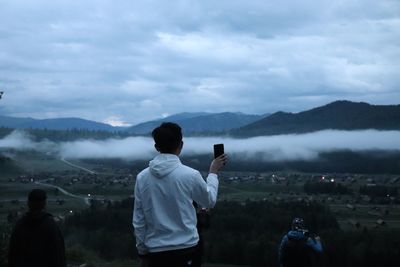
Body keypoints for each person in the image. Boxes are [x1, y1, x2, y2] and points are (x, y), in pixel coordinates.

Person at [132, 122, 227, 267]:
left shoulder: (142, 177)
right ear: (181, 145)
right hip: (187, 248)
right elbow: (210, 201)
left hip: (155, 252)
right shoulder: (190, 175)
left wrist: (142, 252)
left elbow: (139, 220)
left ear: (156, 147)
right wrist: (213, 172)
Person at [8, 189, 66, 267]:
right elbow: (59, 254)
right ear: (44, 204)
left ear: (28, 203)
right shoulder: (50, 225)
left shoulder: (20, 225)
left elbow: (13, 254)